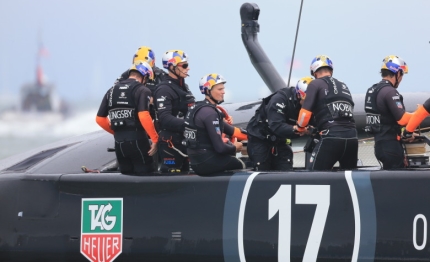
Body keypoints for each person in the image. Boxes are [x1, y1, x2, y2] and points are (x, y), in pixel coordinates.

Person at [96, 61, 158, 174]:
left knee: (126, 177)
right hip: (138, 141)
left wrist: (117, 132)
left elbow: (99, 119)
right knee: (146, 176)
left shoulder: (111, 90)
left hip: (119, 144)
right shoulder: (142, 90)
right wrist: (155, 139)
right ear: (144, 77)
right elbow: (143, 115)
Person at [297, 55, 358, 170]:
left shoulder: (315, 84)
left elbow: (304, 115)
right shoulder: (343, 85)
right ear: (331, 70)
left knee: (313, 176)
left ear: (314, 72)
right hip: (352, 138)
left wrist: (300, 127)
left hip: (331, 137)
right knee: (349, 178)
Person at [183, 74, 247, 175]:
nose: (223, 92)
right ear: (208, 91)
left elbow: (232, 130)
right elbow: (220, 148)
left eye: (223, 89)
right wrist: (235, 147)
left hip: (196, 162)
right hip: (207, 162)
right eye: (220, 89)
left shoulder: (199, 108)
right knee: (245, 164)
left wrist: (252, 136)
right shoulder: (210, 113)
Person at [246, 77, 312, 171]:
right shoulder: (280, 99)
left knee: (286, 168)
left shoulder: (312, 104)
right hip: (260, 138)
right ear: (299, 95)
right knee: (262, 169)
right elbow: (276, 125)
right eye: (308, 100)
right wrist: (297, 129)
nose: (310, 104)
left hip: (281, 140)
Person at [364, 55, 412, 169]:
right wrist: (421, 113)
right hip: (391, 147)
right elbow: (402, 119)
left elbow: (384, 118)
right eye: (402, 74)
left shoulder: (372, 90)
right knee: (397, 185)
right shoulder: (390, 92)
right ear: (398, 73)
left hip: (379, 145)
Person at [154, 50, 195, 172]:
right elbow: (165, 119)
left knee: (186, 173)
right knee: (171, 175)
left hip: (184, 140)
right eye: (184, 65)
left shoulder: (184, 87)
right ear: (172, 67)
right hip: (170, 142)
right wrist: (193, 126)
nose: (188, 68)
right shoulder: (164, 89)